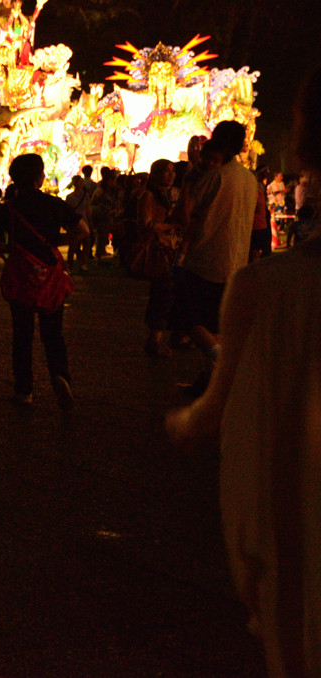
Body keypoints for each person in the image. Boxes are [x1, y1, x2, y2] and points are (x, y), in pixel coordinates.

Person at [166, 64, 321, 678]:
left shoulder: (275, 292)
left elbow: (215, 423)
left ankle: (210, 350)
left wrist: (186, 420)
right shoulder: (253, 188)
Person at [0, 153, 88, 409]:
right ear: (39, 177)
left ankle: (24, 390)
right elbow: (83, 230)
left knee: (22, 335)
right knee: (53, 333)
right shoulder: (54, 204)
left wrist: (10, 254)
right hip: (50, 275)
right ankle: (60, 376)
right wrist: (58, 246)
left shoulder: (6, 208)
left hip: (21, 275)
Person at [175, 121, 258, 397]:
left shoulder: (213, 177)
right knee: (216, 323)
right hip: (235, 259)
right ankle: (211, 381)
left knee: (188, 319)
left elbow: (186, 216)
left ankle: (217, 358)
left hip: (205, 259)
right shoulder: (249, 179)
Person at [137, 159, 180, 357]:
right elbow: (146, 224)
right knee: (163, 292)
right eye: (166, 171)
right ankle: (155, 338)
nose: (171, 175)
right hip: (159, 251)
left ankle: (164, 336)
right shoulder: (149, 196)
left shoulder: (174, 195)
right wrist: (171, 225)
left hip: (174, 249)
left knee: (170, 293)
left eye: (173, 171)